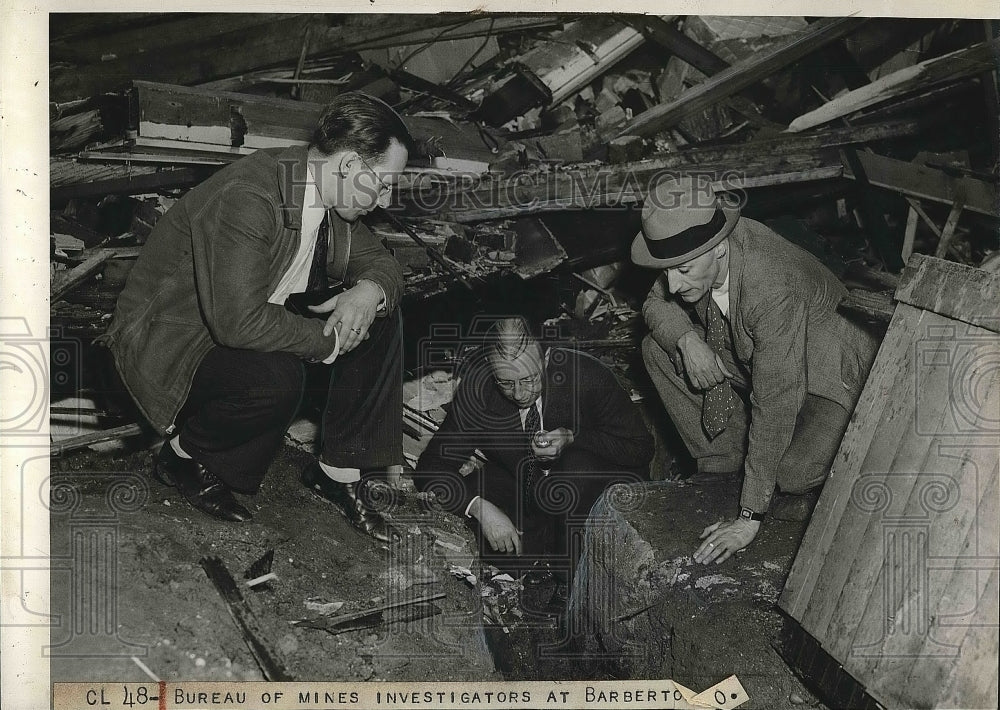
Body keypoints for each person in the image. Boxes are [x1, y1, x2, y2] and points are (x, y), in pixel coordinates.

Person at [105, 92, 413, 541]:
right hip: (174, 342)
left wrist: (369, 291)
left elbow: (383, 265)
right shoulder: (250, 195)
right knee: (276, 378)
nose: (385, 199)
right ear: (348, 166)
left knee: (380, 318)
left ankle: (338, 474)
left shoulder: (329, 193)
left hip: (239, 318)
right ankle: (184, 456)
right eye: (384, 183)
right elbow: (239, 322)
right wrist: (328, 342)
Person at [633, 176, 878, 565]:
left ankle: (789, 478)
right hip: (755, 354)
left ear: (718, 249)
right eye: (667, 271)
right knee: (658, 348)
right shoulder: (693, 248)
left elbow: (777, 399)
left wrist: (749, 518)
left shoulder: (770, 283)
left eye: (683, 271)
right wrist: (686, 340)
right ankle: (721, 463)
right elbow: (655, 302)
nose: (673, 285)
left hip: (826, 380)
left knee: (792, 473)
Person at [414, 317, 654, 581]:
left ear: (547, 358)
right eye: (505, 382)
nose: (519, 394)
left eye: (529, 379)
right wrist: (479, 508)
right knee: (467, 491)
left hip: (598, 491)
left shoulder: (586, 375)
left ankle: (569, 583)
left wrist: (574, 437)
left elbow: (640, 449)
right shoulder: (478, 390)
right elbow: (431, 466)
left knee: (573, 471)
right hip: (532, 490)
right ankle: (540, 558)